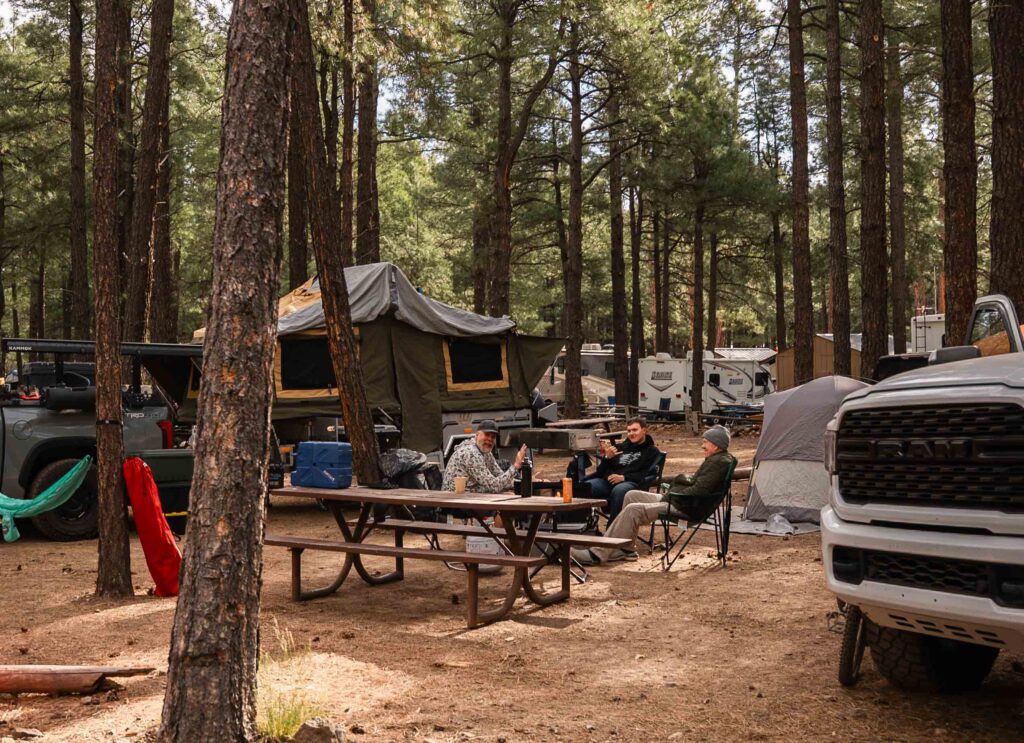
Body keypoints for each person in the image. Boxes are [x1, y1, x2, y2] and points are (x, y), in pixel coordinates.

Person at [574, 425, 735, 564]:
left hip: (686, 507)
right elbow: (696, 485)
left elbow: (698, 491)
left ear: (716, 445)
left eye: (705, 442)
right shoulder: (716, 459)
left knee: (633, 509)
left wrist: (675, 491)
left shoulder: (719, 462)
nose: (702, 445)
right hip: (680, 500)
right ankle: (626, 549)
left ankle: (598, 554)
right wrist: (679, 486)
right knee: (631, 495)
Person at [584, 417, 660, 520]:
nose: (631, 433)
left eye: (635, 430)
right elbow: (600, 472)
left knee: (619, 490)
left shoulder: (652, 451)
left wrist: (623, 478)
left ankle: (613, 527)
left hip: (633, 484)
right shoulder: (619, 447)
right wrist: (607, 458)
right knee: (586, 486)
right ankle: (583, 524)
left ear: (644, 430)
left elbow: (647, 474)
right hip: (609, 483)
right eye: (629, 431)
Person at [441, 419, 527, 493]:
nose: (490, 439)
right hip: (453, 499)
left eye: (493, 437)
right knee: (503, 497)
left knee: (507, 493)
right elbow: (494, 486)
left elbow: (501, 478)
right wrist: (516, 466)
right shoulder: (471, 453)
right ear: (477, 435)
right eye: (487, 435)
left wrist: (525, 482)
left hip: (469, 495)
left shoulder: (486, 452)